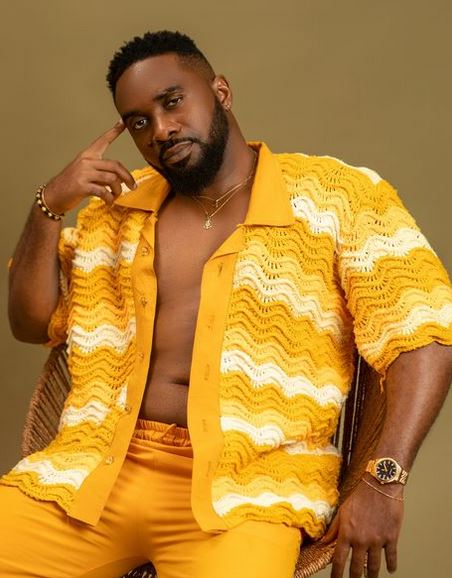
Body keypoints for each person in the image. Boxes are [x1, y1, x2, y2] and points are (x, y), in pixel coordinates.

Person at [1, 30, 451, 578]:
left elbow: (426, 335)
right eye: (138, 122)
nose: (161, 129)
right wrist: (49, 204)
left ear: (220, 91)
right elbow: (31, 323)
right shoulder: (115, 212)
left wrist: (385, 482)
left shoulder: (338, 198)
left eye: (172, 101)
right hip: (92, 472)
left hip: (248, 494)